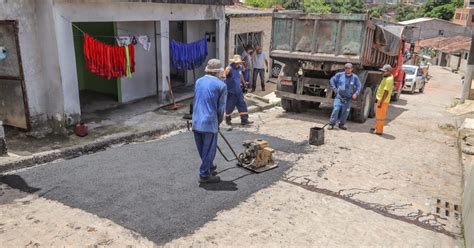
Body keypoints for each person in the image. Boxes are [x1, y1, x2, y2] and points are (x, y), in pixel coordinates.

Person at [192, 59, 227, 184]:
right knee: (209, 149)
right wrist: (218, 122)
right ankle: (205, 175)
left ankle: (210, 166)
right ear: (218, 72)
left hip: (196, 120)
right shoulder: (221, 85)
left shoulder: (198, 81)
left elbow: (197, 99)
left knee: (203, 149)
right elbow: (221, 108)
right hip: (209, 122)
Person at [328, 63, 361, 130]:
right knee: (336, 109)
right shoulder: (339, 75)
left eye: (349, 68)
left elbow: (359, 86)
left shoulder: (355, 77)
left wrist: (356, 94)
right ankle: (331, 124)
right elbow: (332, 80)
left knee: (345, 112)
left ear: (352, 69)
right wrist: (334, 88)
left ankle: (341, 124)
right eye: (346, 68)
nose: (347, 69)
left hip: (348, 99)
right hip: (339, 97)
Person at [224, 55, 253, 126]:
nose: (239, 63)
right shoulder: (229, 68)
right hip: (231, 91)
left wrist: (244, 83)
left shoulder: (239, 68)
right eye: (237, 62)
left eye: (239, 62)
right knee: (230, 106)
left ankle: (244, 120)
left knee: (242, 104)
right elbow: (223, 77)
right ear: (234, 62)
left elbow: (240, 75)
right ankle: (228, 119)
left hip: (239, 91)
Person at [371, 64, 394, 135]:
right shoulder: (388, 77)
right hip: (382, 100)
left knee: (380, 117)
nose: (383, 73)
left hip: (383, 101)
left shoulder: (389, 80)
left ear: (389, 71)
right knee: (379, 116)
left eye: (384, 71)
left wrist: (381, 103)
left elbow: (386, 92)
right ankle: (377, 128)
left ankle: (379, 131)